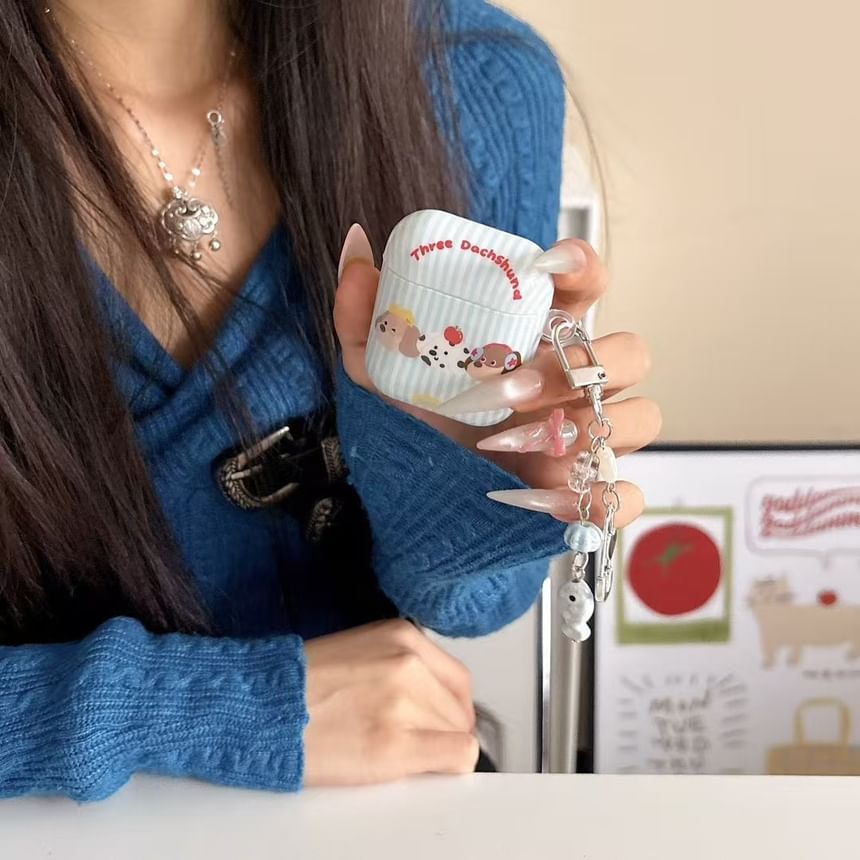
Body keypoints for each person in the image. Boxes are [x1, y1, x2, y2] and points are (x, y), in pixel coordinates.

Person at [0, 0, 660, 800]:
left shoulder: (471, 79)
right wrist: (221, 708)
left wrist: (465, 490)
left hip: (386, 813)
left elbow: (478, 604)